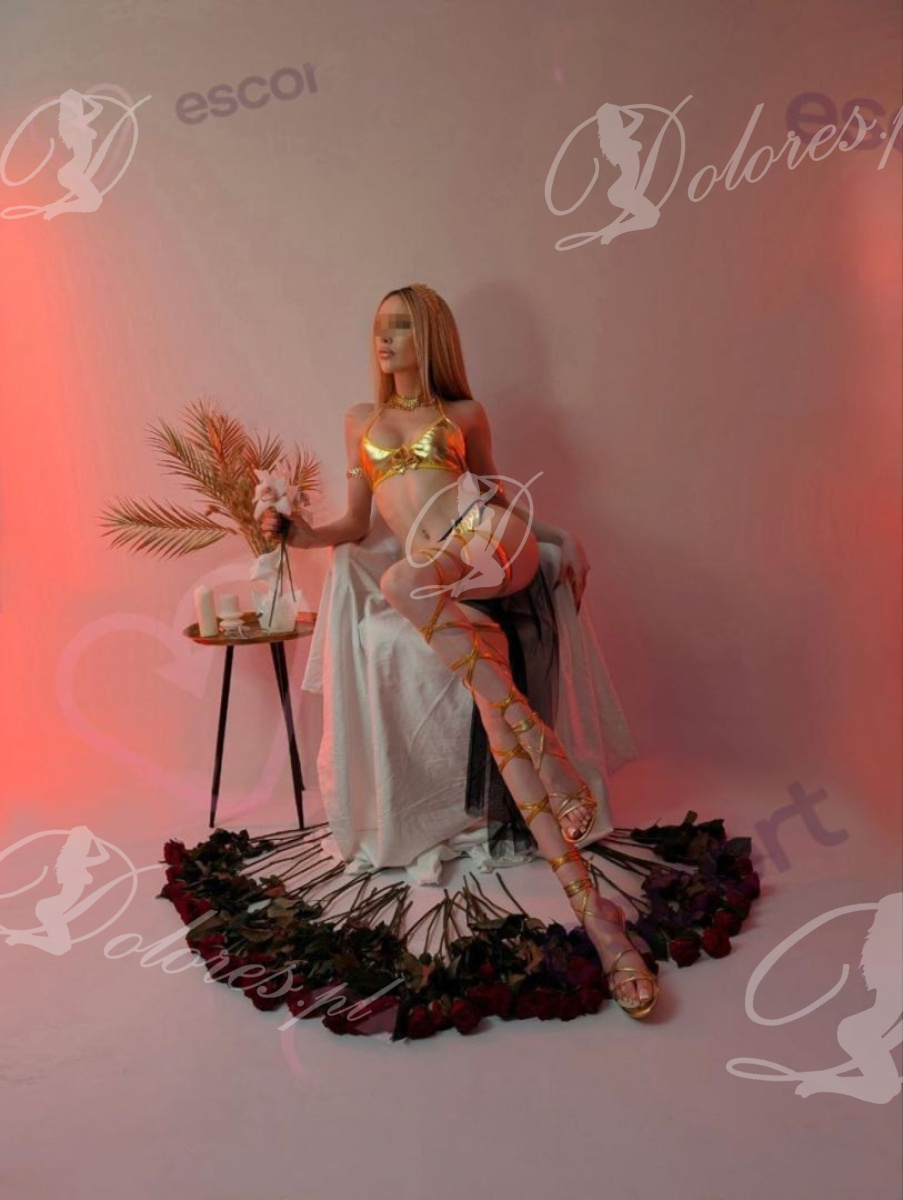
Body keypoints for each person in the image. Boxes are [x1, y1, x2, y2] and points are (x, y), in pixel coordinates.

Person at [261, 283, 659, 1019]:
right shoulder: (360, 421)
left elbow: (498, 496)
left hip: (491, 545)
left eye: (401, 328)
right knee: (493, 709)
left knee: (402, 581)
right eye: (380, 328)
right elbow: (354, 523)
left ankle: (550, 757)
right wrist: (299, 533)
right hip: (438, 578)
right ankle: (602, 924)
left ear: (430, 338)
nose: (385, 340)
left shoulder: (463, 415)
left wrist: (560, 537)